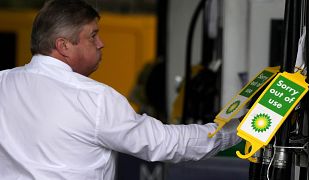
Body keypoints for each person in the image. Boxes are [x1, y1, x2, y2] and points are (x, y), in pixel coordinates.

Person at [0, 0, 241, 179]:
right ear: (63, 46)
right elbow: (164, 143)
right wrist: (237, 130)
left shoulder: (3, 83)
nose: (101, 43)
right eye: (92, 36)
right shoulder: (94, 99)